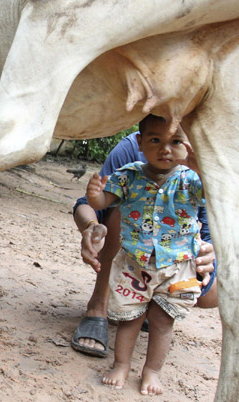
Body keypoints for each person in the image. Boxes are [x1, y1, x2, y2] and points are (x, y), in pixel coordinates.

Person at [75, 115, 215, 395]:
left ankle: (152, 370)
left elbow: (215, 200)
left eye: (176, 142)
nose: (165, 149)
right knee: (130, 319)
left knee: (163, 322)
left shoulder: (192, 178)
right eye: (155, 140)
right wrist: (95, 197)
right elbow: (104, 203)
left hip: (177, 265)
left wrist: (204, 169)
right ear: (140, 143)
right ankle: (121, 364)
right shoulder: (129, 174)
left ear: (189, 145)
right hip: (136, 263)